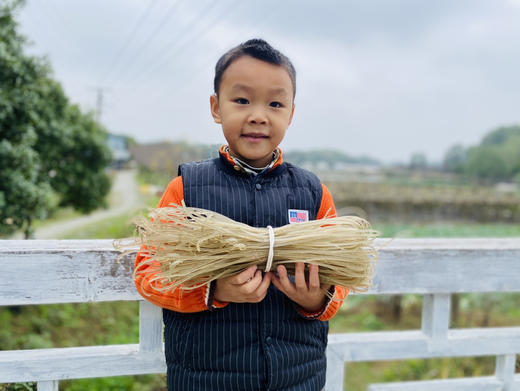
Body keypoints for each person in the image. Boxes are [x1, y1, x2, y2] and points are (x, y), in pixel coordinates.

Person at [134, 38, 348, 391]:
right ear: (216, 107)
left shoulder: (313, 193)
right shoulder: (186, 189)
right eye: (242, 100)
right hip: (205, 380)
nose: (258, 115)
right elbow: (149, 273)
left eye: (275, 103)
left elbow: (339, 278)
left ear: (290, 114)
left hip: (298, 378)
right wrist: (213, 289)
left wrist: (317, 299)